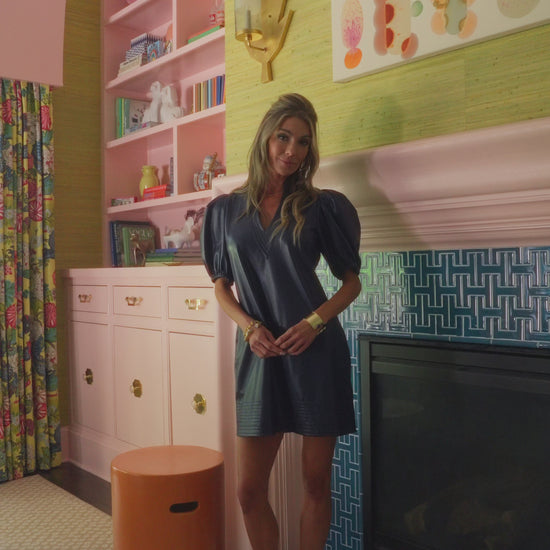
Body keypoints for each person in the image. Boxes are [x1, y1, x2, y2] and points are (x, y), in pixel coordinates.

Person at [201, 93, 361, 550]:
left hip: (316, 352)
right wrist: (248, 327)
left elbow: (351, 283)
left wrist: (314, 323)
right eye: (284, 137)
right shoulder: (224, 211)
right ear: (266, 138)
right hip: (259, 355)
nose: (292, 150)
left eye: (303, 142)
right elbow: (221, 286)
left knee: (315, 483)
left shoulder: (321, 207)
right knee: (248, 491)